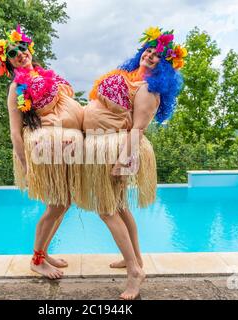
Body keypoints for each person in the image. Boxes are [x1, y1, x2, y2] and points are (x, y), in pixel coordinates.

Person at [78, 26, 185, 299]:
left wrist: (123, 162)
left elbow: (138, 129)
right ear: (141, 52)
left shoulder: (149, 89)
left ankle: (135, 272)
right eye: (148, 51)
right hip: (103, 146)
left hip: (115, 150)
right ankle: (134, 259)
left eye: (157, 56)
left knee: (106, 210)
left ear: (165, 66)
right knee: (121, 207)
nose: (150, 56)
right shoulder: (129, 77)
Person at [0, 25, 84, 279]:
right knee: (56, 204)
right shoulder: (15, 89)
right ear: (8, 62)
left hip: (60, 145)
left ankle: (44, 252)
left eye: (22, 48)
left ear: (29, 49)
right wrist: (25, 164)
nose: (20, 54)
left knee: (64, 203)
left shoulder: (44, 76)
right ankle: (36, 260)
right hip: (42, 149)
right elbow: (15, 131)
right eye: (12, 53)